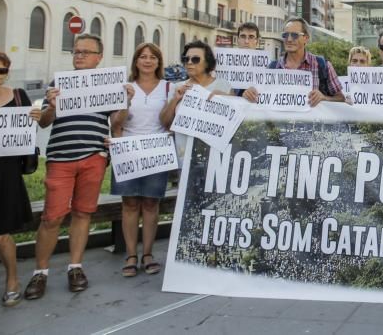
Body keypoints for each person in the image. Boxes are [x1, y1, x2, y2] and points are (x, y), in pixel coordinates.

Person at [25, 34, 131, 299]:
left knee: (83, 214)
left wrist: (126, 101)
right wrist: (52, 105)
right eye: (76, 51)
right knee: (52, 218)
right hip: (61, 158)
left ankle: (75, 267)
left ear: (99, 57)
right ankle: (40, 272)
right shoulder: (59, 83)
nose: (80, 55)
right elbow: (44, 123)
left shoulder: (107, 85)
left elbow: (116, 122)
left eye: (86, 52)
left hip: (93, 158)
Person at [110, 42, 174, 279]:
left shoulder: (169, 88)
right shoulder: (125, 87)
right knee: (129, 204)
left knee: (150, 204)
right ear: (135, 61)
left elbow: (169, 122)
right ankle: (130, 254)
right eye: (143, 57)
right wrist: (126, 102)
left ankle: (147, 253)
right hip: (128, 151)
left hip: (156, 152)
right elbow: (115, 124)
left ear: (159, 62)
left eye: (153, 57)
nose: (148, 61)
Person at [0, 51, 38, 307]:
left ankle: (12, 280)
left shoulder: (18, 96)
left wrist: (36, 118)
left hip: (5, 173)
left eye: (2, 70)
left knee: (0, 234)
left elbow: (30, 130)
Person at [241, 18, 344, 106]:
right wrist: (249, 94)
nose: (289, 39)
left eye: (294, 35)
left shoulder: (322, 65)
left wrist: (324, 98)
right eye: (285, 35)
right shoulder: (273, 68)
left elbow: (341, 98)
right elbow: (260, 97)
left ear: (306, 38)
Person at [160, 41, 233, 130]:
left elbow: (234, 123)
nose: (189, 62)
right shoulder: (177, 87)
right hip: (183, 143)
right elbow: (165, 123)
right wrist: (175, 100)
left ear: (207, 62)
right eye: (186, 59)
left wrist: (227, 100)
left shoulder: (223, 86)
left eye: (195, 59)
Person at [232, 22, 262, 97]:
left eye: (251, 37)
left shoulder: (267, 67)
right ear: (237, 40)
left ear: (257, 41)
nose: (246, 41)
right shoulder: (225, 66)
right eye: (243, 36)